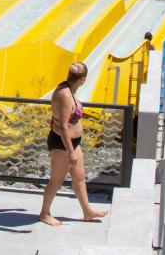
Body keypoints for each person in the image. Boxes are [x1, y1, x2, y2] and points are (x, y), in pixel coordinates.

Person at [39, 62, 107, 226]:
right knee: (57, 180)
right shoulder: (65, 95)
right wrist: (70, 152)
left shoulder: (69, 90)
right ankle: (44, 213)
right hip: (62, 144)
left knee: (79, 177)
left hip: (72, 143)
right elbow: (63, 126)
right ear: (82, 79)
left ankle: (87, 211)